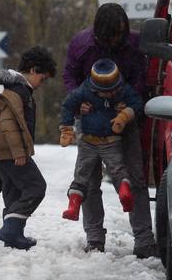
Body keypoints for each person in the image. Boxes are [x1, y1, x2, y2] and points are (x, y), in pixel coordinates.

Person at [61, 3, 157, 257]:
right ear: (100, 33)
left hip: (125, 119)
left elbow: (143, 76)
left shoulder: (135, 44)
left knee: (134, 178)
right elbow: (69, 75)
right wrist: (77, 99)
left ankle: (144, 240)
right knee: (89, 181)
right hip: (91, 121)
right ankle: (94, 238)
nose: (117, 39)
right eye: (112, 34)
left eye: (121, 33)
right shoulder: (82, 45)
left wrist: (132, 104)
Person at [0, 46, 57, 250]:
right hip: (10, 148)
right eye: (42, 79)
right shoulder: (18, 90)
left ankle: (13, 237)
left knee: (13, 190)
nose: (42, 84)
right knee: (36, 187)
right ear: (33, 70)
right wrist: (19, 152)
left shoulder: (5, 87)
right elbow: (8, 122)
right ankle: (11, 230)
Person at [59, 58, 143, 222]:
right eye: (103, 92)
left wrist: (124, 115)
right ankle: (73, 206)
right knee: (89, 173)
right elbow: (68, 106)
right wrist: (66, 129)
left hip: (110, 140)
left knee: (110, 170)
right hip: (88, 141)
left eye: (112, 90)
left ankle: (124, 193)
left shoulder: (123, 91)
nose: (109, 94)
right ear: (93, 87)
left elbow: (137, 104)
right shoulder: (84, 91)